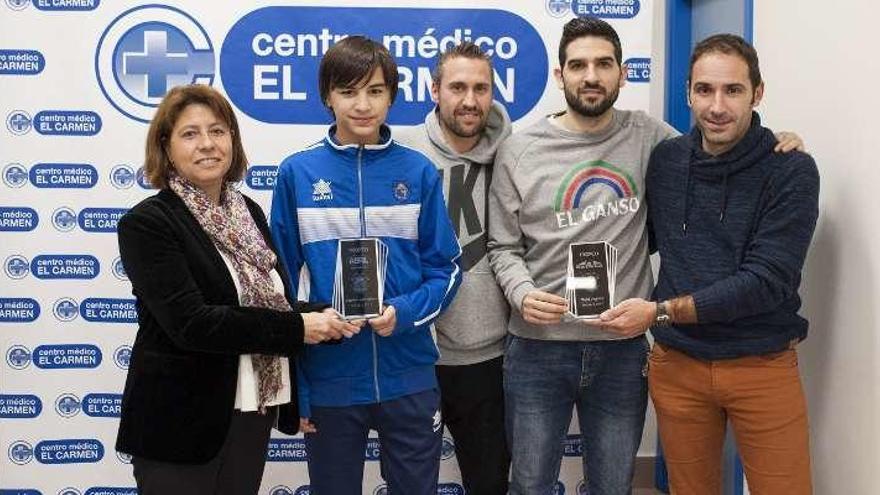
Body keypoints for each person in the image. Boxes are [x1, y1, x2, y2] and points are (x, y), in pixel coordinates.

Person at [488, 17, 805, 494]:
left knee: (614, 484)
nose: (591, 75)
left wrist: (779, 141)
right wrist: (521, 291)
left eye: (603, 63)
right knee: (531, 482)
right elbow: (503, 246)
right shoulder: (519, 151)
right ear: (560, 75)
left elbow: (720, 140)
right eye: (578, 65)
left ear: (622, 73)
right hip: (539, 346)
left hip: (624, 346)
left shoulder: (652, 139)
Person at [600, 34, 819, 494]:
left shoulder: (790, 170)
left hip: (761, 364)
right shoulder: (666, 160)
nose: (717, 106)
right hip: (679, 367)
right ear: (688, 93)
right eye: (704, 90)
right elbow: (641, 237)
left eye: (733, 90)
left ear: (758, 93)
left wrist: (659, 311)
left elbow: (766, 282)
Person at [115, 84, 356, 495]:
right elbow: (193, 323)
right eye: (190, 134)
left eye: (218, 131)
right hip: (179, 424)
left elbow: (263, 303)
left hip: (250, 412)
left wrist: (329, 315)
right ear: (166, 147)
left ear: (233, 140)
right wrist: (299, 328)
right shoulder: (148, 223)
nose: (207, 144)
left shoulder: (247, 212)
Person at [269, 36, 462, 495]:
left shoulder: (417, 172)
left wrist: (406, 312)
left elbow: (447, 270)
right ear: (327, 96)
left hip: (409, 375)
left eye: (375, 91)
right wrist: (300, 390)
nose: (362, 105)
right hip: (331, 380)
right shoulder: (297, 173)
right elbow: (276, 288)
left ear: (392, 97)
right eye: (348, 91)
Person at [395, 41, 512, 495]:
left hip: (488, 353)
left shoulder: (517, 152)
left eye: (481, 88)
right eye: (457, 87)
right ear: (434, 89)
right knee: (408, 482)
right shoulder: (400, 150)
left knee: (489, 481)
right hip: (410, 351)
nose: (469, 100)